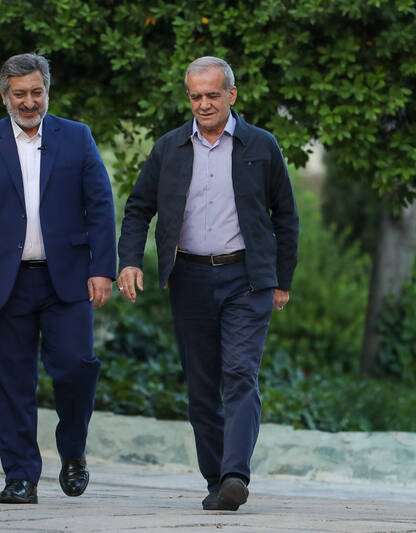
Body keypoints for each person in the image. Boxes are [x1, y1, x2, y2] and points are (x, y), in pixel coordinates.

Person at [117, 56, 299, 511]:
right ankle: (216, 479)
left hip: (247, 278)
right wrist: (130, 262)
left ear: (231, 95)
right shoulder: (169, 148)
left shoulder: (262, 145)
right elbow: (138, 209)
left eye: (213, 95)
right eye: (196, 96)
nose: (203, 104)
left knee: (240, 374)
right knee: (201, 388)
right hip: (190, 278)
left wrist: (282, 280)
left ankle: (236, 475)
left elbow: (286, 216)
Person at [0, 53, 116, 504]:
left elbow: (100, 203)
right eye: (20, 94)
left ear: (47, 91)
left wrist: (102, 269)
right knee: (11, 381)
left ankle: (72, 451)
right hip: (4, 281)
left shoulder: (76, 137)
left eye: (37, 92)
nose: (29, 102)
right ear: (4, 96)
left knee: (76, 367)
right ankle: (20, 477)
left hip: (67, 281)